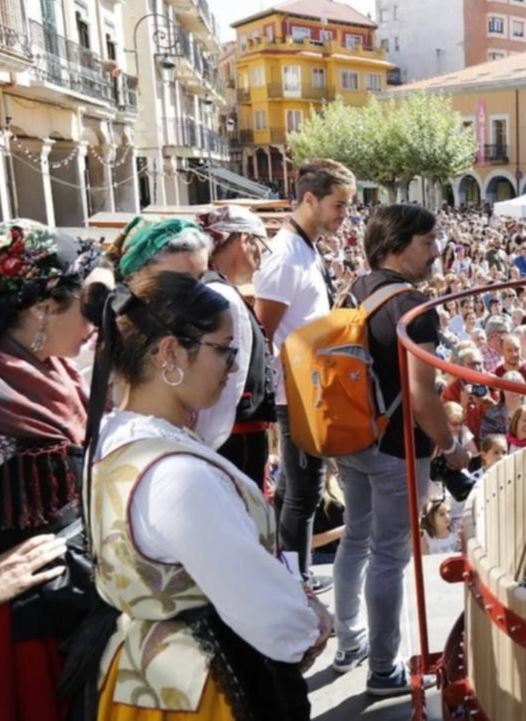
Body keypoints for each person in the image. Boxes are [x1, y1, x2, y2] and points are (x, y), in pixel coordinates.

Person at [89, 271, 329, 721]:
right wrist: (309, 622)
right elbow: (262, 606)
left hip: (141, 676)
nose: (234, 367)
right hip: (202, 690)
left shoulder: (114, 434)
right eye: (225, 350)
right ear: (169, 353)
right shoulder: (176, 475)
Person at [331, 204, 469, 696]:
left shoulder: (353, 289)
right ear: (396, 244)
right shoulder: (414, 306)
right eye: (428, 242)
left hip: (352, 438)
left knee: (357, 541)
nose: (436, 252)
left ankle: (349, 642)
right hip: (395, 448)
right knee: (388, 556)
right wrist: (451, 447)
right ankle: (383, 671)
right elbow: (421, 395)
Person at [0, 219, 100, 721]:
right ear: (41, 308)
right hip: (17, 634)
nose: (92, 325)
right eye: (84, 307)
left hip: (68, 607)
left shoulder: (55, 377)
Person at [255, 158, 355, 594]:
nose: (344, 216)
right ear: (309, 199)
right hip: (292, 394)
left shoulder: (306, 249)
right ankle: (291, 580)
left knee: (307, 492)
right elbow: (265, 332)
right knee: (301, 493)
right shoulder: (286, 256)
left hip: (309, 390)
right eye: (338, 205)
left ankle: (293, 574)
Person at [196, 206, 277, 486]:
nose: (261, 260)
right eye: (260, 246)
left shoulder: (214, 289)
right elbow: (227, 378)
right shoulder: (222, 295)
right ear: (245, 241)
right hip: (233, 438)